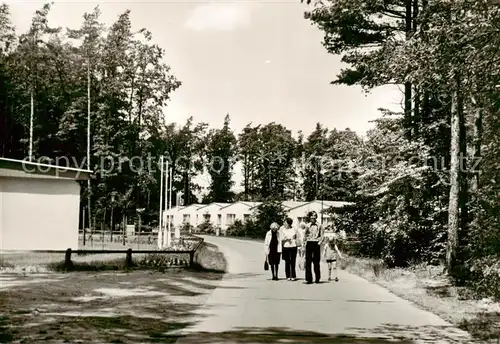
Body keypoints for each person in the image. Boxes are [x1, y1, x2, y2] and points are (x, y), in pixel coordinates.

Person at [302, 211, 323, 284]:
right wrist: (303, 245)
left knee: (316, 262)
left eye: (314, 217)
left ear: (316, 217)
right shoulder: (307, 225)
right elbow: (305, 235)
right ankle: (309, 279)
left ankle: (317, 278)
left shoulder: (320, 225)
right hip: (309, 243)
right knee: (308, 261)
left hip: (316, 243)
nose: (313, 219)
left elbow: (322, 235)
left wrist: (319, 242)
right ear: (310, 218)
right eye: (311, 217)